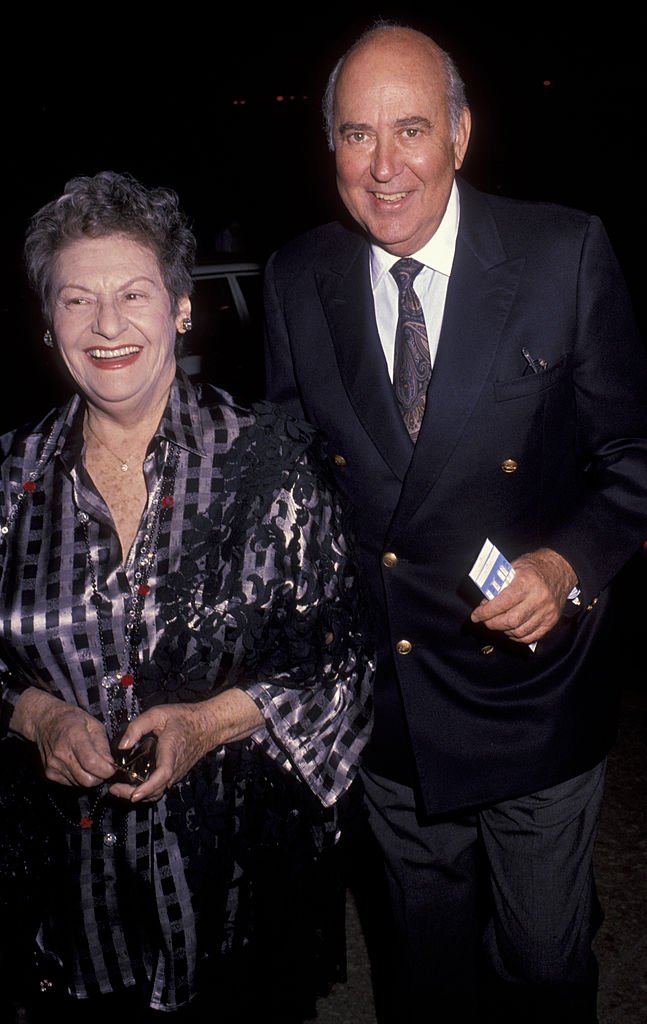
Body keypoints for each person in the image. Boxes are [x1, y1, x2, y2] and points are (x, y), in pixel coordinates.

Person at [263, 19, 647, 1024]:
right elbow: (287, 487)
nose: (383, 166)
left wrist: (565, 565)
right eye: (355, 135)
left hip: (534, 688)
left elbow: (629, 462)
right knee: (422, 972)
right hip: (389, 704)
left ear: (461, 135)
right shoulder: (294, 277)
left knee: (538, 962)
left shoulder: (562, 252)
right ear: (329, 148)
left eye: (410, 130)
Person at [0, 170, 374, 1024]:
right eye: (75, 300)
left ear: (181, 308)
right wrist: (35, 716)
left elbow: (340, 668)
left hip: (228, 887)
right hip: (62, 895)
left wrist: (205, 724)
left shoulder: (270, 466)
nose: (105, 325)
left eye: (133, 294)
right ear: (47, 323)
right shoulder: (8, 479)